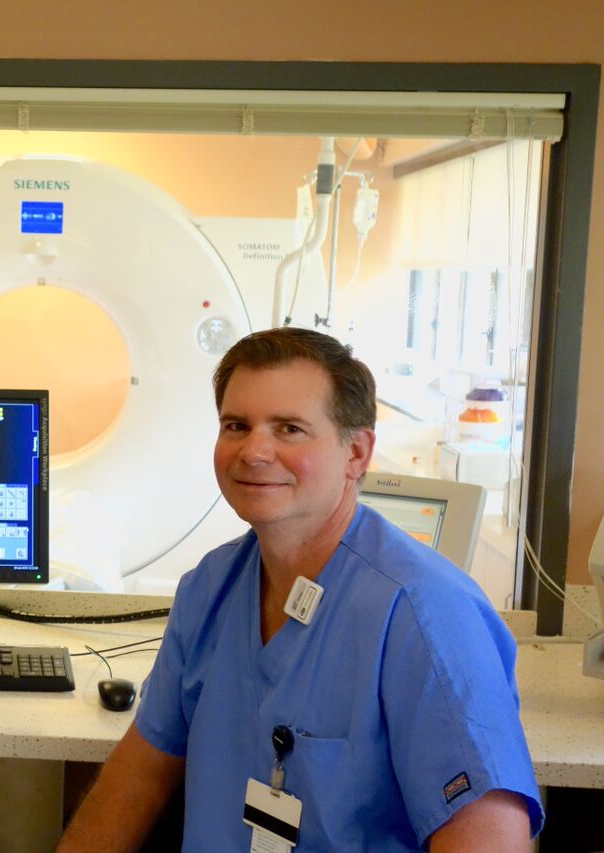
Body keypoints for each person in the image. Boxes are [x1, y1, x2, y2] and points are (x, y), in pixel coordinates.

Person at [58, 327, 542, 852]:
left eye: (289, 428)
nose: (254, 451)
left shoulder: (423, 613)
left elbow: (489, 838)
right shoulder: (210, 588)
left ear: (356, 453)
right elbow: (140, 773)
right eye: (236, 425)